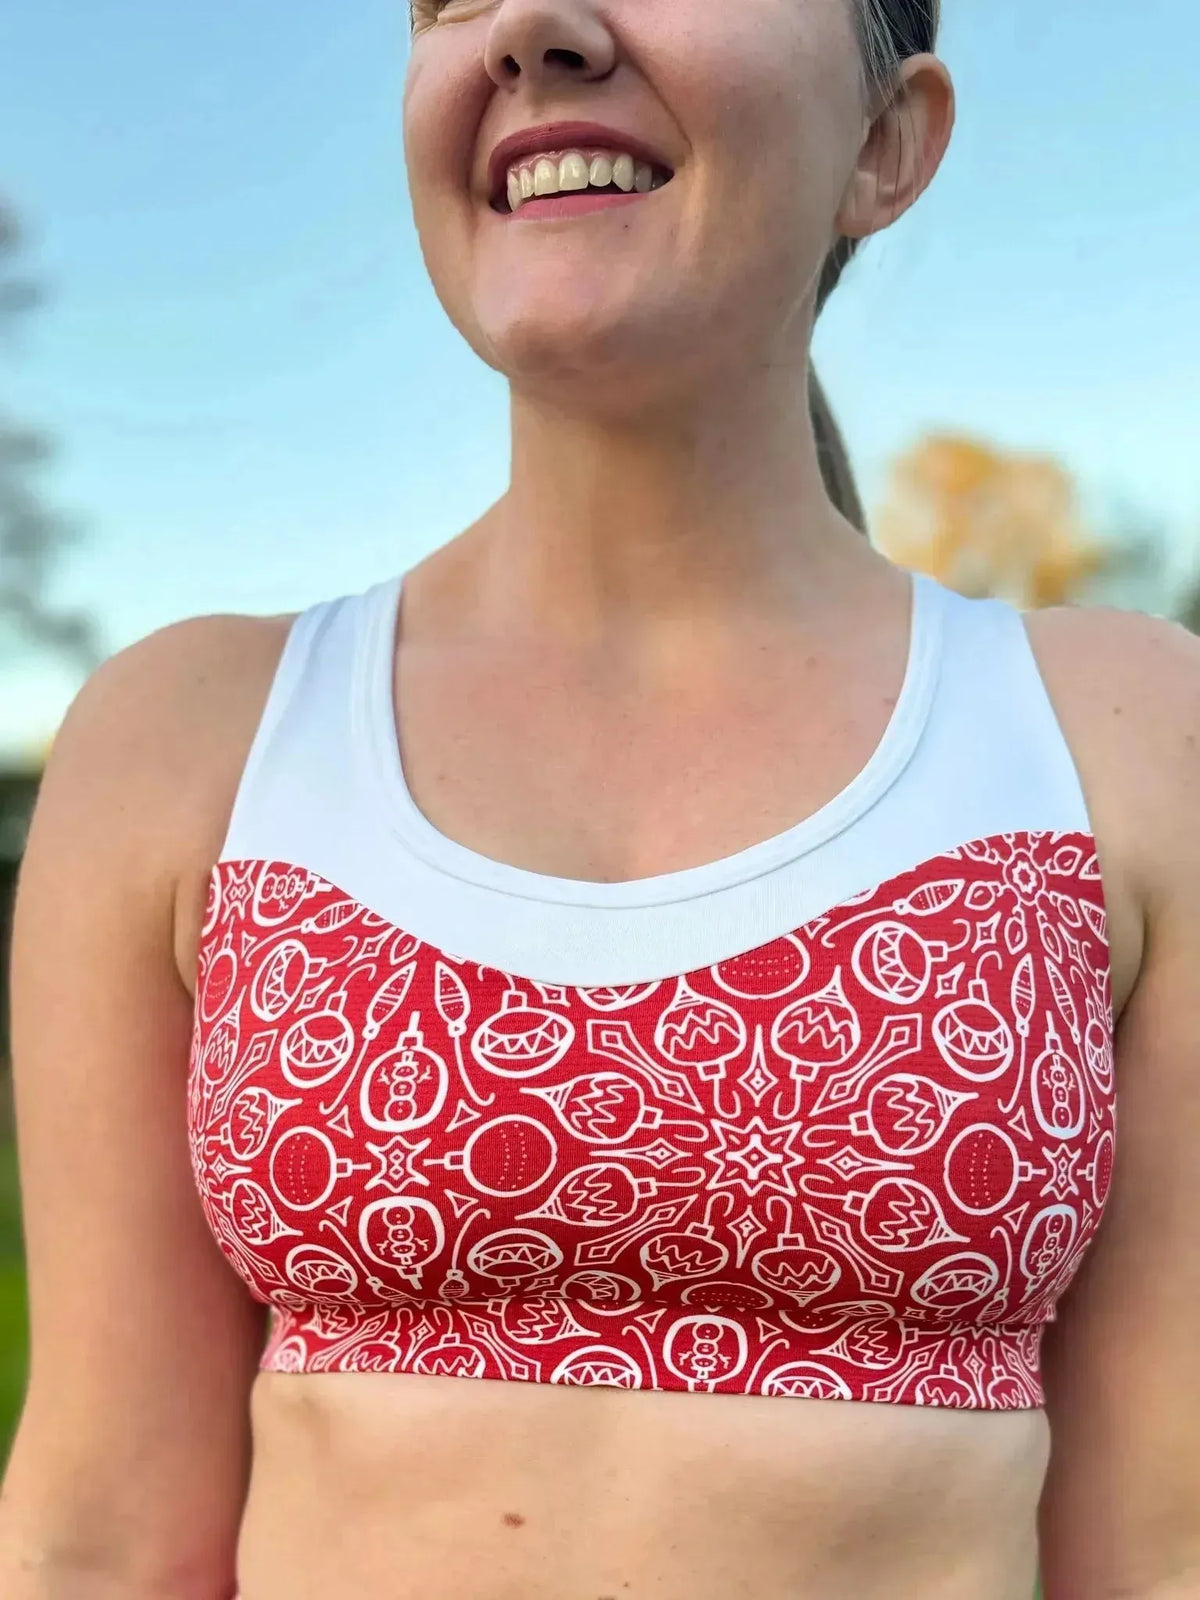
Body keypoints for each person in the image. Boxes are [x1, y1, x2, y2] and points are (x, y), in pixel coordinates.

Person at [1, 0, 1198, 1595]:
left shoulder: (1116, 733)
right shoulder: (191, 740)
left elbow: (1161, 1547)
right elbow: (99, 1539)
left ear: (887, 138)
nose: (534, 28)